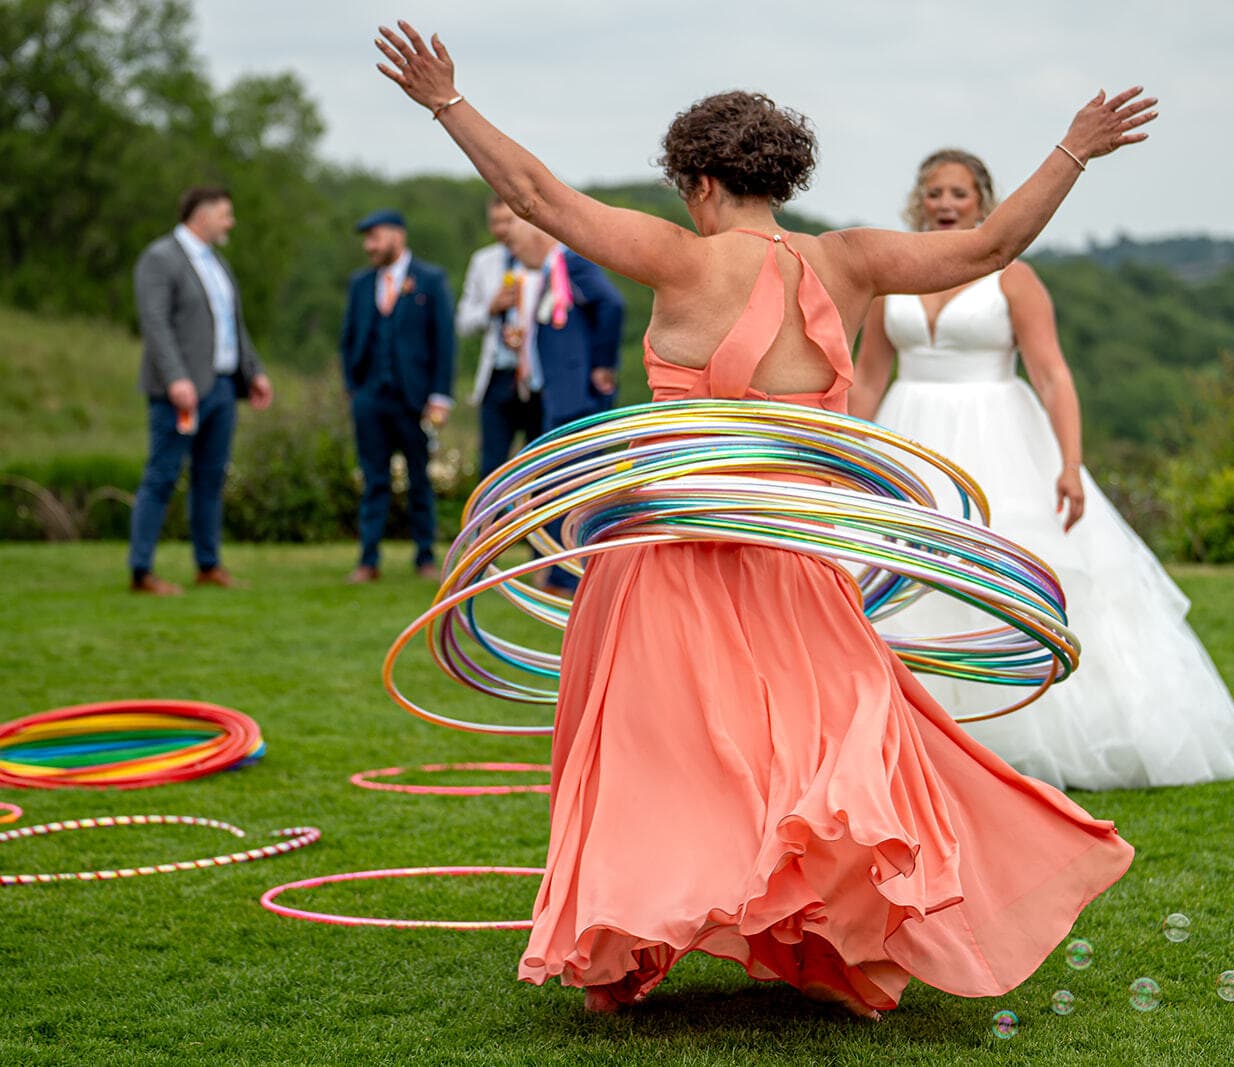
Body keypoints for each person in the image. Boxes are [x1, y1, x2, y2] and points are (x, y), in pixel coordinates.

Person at [375, 20, 1154, 1018]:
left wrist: (446, 102)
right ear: (778, 176)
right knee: (817, 745)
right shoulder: (853, 259)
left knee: (655, 755)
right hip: (800, 556)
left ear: (699, 181)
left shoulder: (677, 256)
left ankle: (628, 943)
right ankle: (822, 938)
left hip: (671, 554)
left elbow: (536, 196)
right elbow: (992, 245)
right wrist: (1073, 150)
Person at [850, 149, 1234, 792]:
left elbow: (1051, 374)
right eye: (934, 192)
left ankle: (1021, 736)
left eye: (959, 192)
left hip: (998, 436)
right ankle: (917, 739)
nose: (945, 204)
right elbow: (870, 377)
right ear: (918, 201)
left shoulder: (1013, 278)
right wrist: (845, 453)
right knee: (903, 579)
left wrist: (1070, 463)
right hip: (910, 440)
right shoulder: (893, 279)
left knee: (1007, 574)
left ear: (983, 201)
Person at [457, 204, 625, 591]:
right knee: (554, 481)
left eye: (516, 243)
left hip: (575, 395)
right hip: (555, 391)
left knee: (569, 483)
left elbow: (611, 304)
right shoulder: (550, 270)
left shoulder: (572, 263)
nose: (515, 252)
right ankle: (558, 572)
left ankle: (568, 574)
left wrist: (602, 364)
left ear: (536, 236)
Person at [129, 186, 274, 595]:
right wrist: (176, 378)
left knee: (211, 479)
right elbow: (155, 324)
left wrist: (255, 371)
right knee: (162, 476)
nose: (231, 222)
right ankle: (141, 571)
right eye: (225, 214)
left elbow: (232, 324)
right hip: (181, 392)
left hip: (223, 387)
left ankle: (208, 565)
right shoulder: (160, 258)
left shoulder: (217, 263)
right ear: (202, 215)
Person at [338, 209, 456, 583]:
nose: (368, 246)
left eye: (374, 237)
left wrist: (440, 396)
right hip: (370, 397)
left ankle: (425, 557)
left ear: (397, 236)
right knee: (373, 479)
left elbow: (444, 342)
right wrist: (353, 387)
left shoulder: (430, 280)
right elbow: (348, 338)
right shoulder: (360, 283)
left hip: (415, 398)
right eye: (367, 239)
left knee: (419, 479)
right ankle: (368, 560)